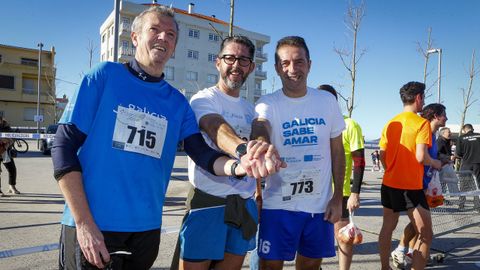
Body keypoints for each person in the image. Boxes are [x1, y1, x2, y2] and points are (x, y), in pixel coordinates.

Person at [51, 6, 274, 270]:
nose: (163, 38)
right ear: (134, 37)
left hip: (145, 229)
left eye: (170, 34)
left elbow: (204, 155)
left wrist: (239, 165)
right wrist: (83, 222)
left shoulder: (177, 102)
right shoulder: (104, 76)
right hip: (94, 225)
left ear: (175, 46)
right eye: (154, 30)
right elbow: (63, 148)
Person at [178, 35, 285, 270]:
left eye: (243, 60)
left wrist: (257, 193)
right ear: (218, 62)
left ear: (251, 67)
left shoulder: (251, 109)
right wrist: (242, 149)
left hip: (243, 203)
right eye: (230, 58)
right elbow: (215, 127)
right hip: (208, 202)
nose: (236, 65)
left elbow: (257, 154)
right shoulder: (203, 99)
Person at [251, 36, 346, 270]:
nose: (292, 69)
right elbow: (260, 127)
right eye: (285, 63)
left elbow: (337, 151)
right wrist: (262, 144)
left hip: (319, 207)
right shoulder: (267, 102)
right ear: (276, 68)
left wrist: (337, 198)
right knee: (270, 267)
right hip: (278, 206)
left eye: (299, 62)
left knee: (311, 266)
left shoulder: (327, 101)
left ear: (309, 65)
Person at [378, 81, 441, 270]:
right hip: (410, 187)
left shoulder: (390, 122)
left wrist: (393, 169)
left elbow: (382, 155)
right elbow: (421, 157)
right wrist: (436, 162)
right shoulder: (421, 123)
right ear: (419, 97)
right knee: (426, 234)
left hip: (389, 183)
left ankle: (384, 267)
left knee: (387, 228)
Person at [390, 103, 445, 269]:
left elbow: (429, 156)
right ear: (435, 115)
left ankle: (411, 253)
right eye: (444, 114)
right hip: (414, 184)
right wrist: (435, 162)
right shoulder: (423, 129)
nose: (446, 118)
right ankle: (402, 251)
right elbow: (420, 156)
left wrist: (441, 160)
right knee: (424, 230)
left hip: (425, 184)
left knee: (419, 225)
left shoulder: (433, 134)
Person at [318, 85, 365, 270]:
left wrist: (355, 193)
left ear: (333, 102)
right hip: (317, 192)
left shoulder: (350, 124)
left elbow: (359, 161)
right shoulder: (316, 126)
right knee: (316, 237)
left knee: (343, 237)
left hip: (341, 192)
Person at [0, 118, 20, 195]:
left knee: (12, 169)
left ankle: (12, 187)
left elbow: (13, 137)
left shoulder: (7, 127)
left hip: (6, 151)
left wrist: (8, 142)